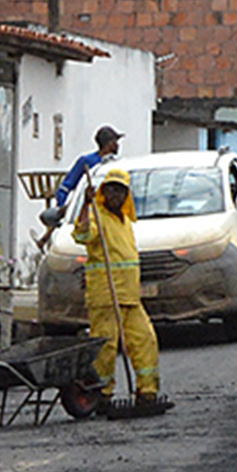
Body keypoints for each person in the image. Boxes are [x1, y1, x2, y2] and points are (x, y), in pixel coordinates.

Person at [73, 166, 171, 418]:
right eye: (110, 190)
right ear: (103, 192)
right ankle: (102, 396)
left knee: (145, 340)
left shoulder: (126, 222)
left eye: (120, 190)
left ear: (127, 195)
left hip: (129, 297)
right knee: (105, 348)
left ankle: (147, 393)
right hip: (106, 296)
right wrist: (85, 205)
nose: (115, 195)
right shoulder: (97, 216)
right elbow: (83, 235)